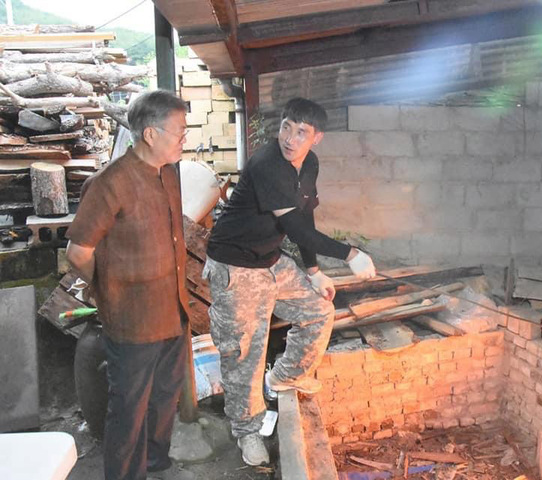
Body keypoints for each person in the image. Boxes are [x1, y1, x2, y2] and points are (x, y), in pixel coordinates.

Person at [203, 97, 376, 466]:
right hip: (236, 264)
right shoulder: (268, 165)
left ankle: (282, 378)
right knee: (245, 352)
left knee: (318, 311)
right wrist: (351, 254)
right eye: (286, 126)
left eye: (301, 132)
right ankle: (247, 432)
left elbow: (305, 217)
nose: (290, 138)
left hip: (270, 258)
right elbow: (296, 229)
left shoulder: (308, 163)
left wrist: (313, 272)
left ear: (317, 138)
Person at [66, 90, 194, 480]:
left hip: (173, 309)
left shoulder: (168, 173)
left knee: (164, 396)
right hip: (133, 318)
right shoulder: (110, 183)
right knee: (129, 406)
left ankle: (156, 463)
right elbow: (78, 250)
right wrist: (108, 286)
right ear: (151, 134)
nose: (184, 140)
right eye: (179, 132)